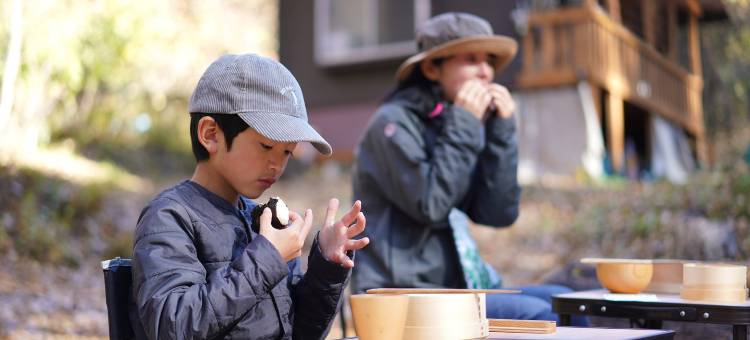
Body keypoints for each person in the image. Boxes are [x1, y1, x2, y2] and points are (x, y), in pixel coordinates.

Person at [351, 12, 584, 324]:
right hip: (405, 295)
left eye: (488, 60)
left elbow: (498, 213)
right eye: (471, 59)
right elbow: (431, 204)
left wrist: (501, 133)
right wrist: (464, 125)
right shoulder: (392, 125)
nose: (486, 72)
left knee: (568, 302)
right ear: (433, 68)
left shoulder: (455, 121)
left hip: (456, 287)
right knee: (543, 316)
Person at [130, 54, 370, 339]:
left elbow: (302, 333)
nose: (277, 165)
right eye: (266, 146)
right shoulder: (170, 217)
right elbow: (175, 325)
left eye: (287, 152)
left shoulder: (265, 222)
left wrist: (326, 266)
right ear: (210, 134)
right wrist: (267, 259)